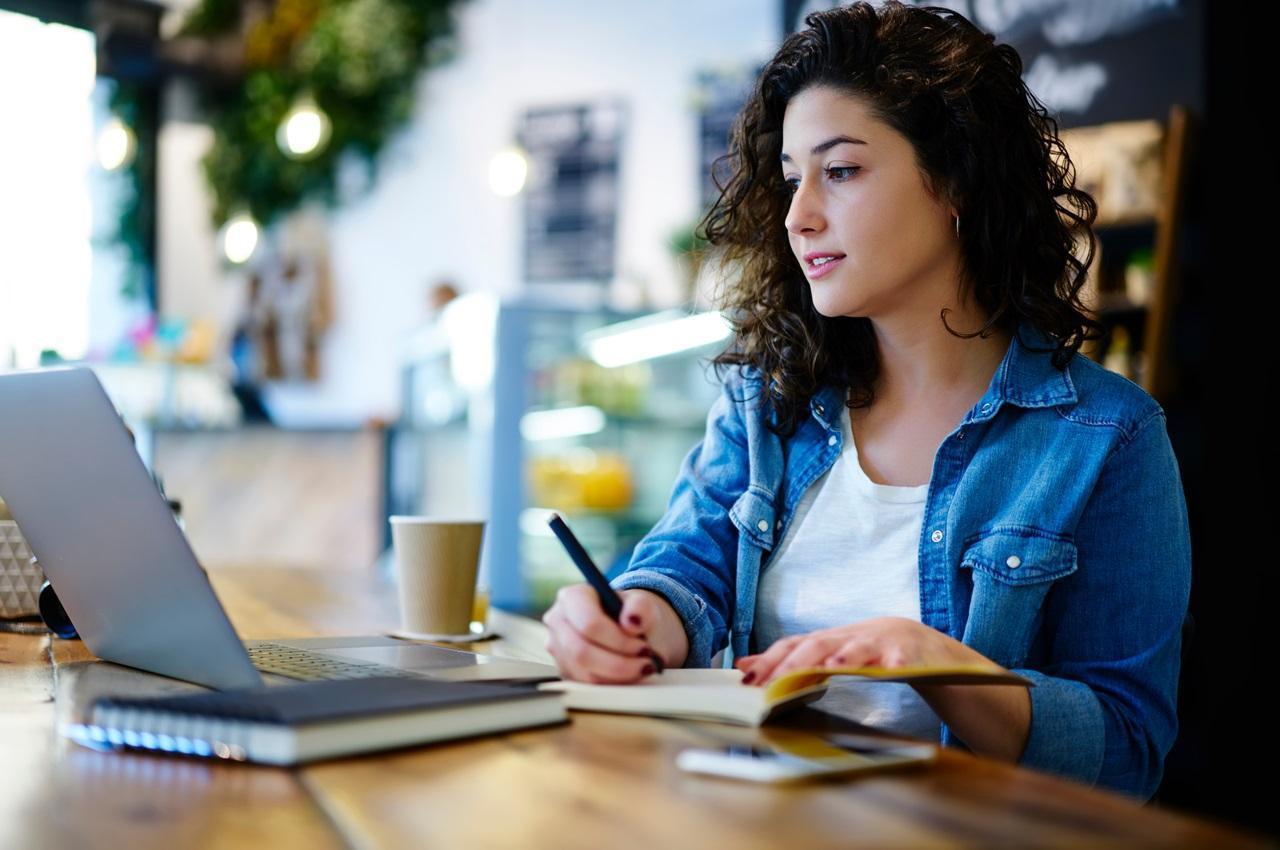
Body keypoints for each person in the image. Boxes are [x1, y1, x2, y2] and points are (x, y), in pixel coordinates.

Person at [540, 2, 1190, 803]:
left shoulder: (1106, 438)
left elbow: (1127, 752)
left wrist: (937, 665)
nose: (798, 215)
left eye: (840, 171)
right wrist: (625, 620)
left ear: (955, 179)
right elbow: (687, 571)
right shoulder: (766, 401)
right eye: (788, 179)